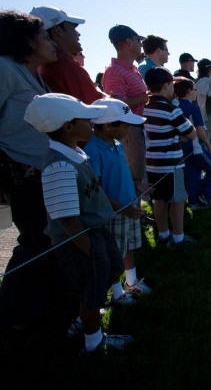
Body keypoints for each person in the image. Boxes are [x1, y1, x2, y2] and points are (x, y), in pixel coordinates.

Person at [23, 93, 134, 353]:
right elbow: (68, 222)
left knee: (111, 269)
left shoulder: (75, 151)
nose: (92, 124)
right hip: (80, 240)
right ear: (68, 126)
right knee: (91, 289)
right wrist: (91, 251)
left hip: (95, 231)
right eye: (86, 119)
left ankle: (86, 315)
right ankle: (93, 340)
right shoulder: (59, 165)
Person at [0, 10, 58, 330]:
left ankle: (36, 310)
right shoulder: (5, 69)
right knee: (35, 242)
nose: (51, 42)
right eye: (45, 36)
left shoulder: (33, 72)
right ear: (26, 40)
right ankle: (14, 317)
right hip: (21, 172)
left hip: (42, 170)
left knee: (44, 241)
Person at [83, 98, 153, 298]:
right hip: (114, 212)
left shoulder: (117, 144)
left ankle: (131, 282)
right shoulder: (92, 151)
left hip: (128, 209)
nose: (129, 127)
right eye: (125, 123)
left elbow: (121, 174)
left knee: (128, 246)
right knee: (115, 253)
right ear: (107, 125)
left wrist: (137, 186)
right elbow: (97, 190)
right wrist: (123, 208)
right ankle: (117, 293)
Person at [143, 67, 196, 248]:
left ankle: (163, 234)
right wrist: (184, 129)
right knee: (178, 200)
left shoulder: (145, 107)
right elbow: (191, 134)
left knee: (159, 199)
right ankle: (178, 238)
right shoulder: (171, 109)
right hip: (171, 164)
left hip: (152, 164)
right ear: (166, 85)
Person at [102, 25, 149, 193]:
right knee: (133, 179)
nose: (141, 44)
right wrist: (144, 98)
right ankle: (134, 217)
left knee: (138, 177)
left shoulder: (132, 70)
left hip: (137, 130)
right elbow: (116, 106)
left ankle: (136, 216)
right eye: (139, 40)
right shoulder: (114, 71)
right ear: (128, 42)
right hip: (129, 132)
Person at [30, 6, 104, 104]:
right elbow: (98, 107)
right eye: (73, 28)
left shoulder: (43, 65)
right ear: (58, 31)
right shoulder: (63, 64)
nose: (78, 34)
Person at [175, 78, 211, 209]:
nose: (196, 92)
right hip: (195, 146)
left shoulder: (175, 106)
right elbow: (199, 128)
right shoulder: (192, 107)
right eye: (194, 89)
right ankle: (207, 198)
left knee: (193, 173)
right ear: (189, 91)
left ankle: (194, 201)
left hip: (183, 148)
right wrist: (207, 142)